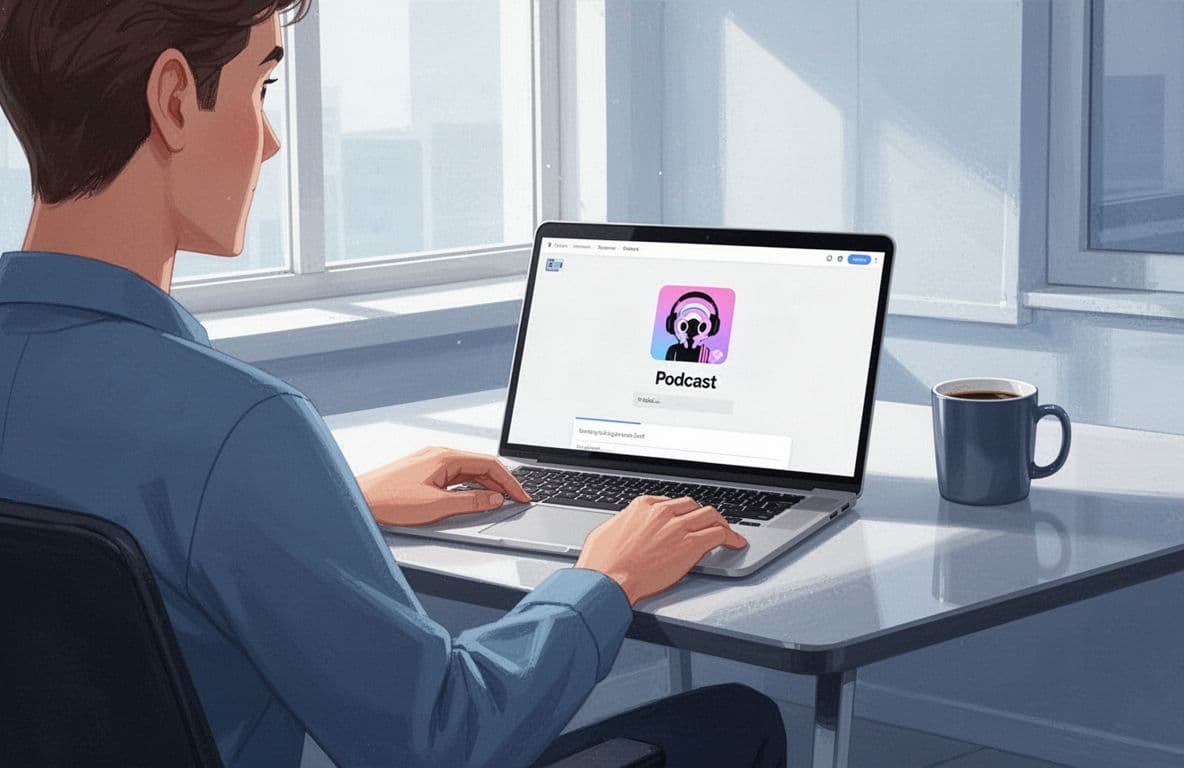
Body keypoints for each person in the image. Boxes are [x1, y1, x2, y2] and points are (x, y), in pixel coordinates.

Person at [0, 2, 787, 766]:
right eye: (261, 88)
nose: (271, 143)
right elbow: (440, 740)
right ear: (174, 98)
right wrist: (606, 577)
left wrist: (334, 506)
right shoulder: (238, 425)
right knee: (733, 722)